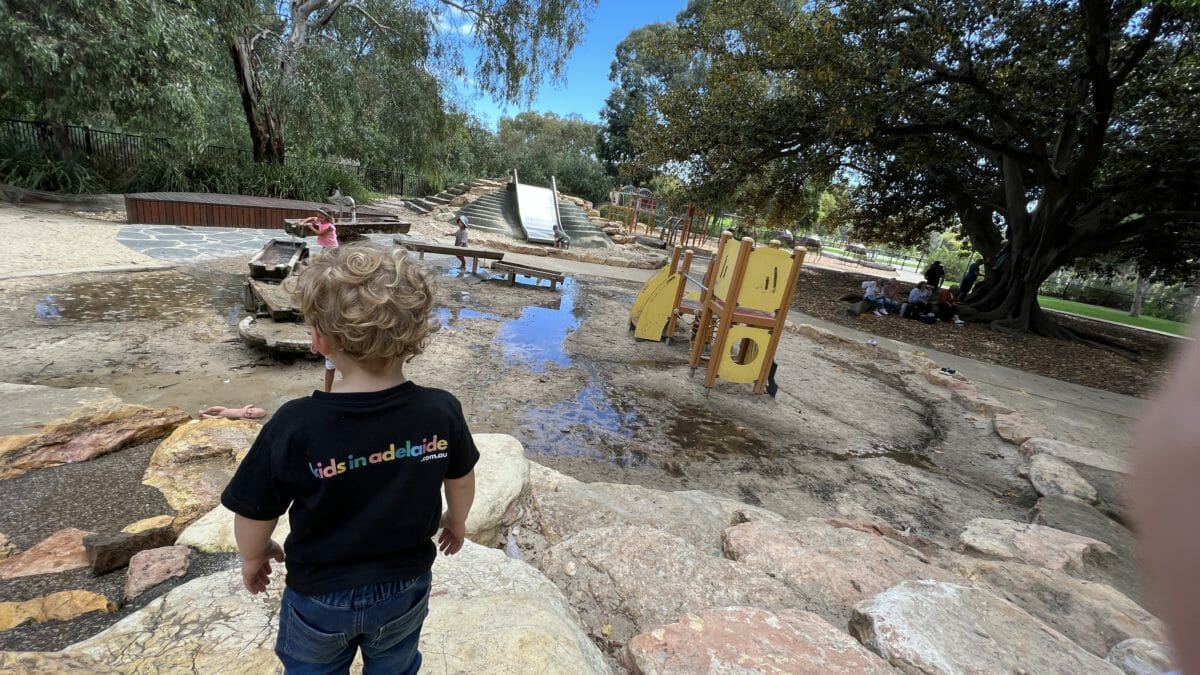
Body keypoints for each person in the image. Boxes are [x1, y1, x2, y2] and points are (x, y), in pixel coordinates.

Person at [221, 243, 478, 674]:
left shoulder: (296, 423)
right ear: (417, 335)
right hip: (405, 585)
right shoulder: (440, 409)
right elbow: (462, 477)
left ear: (318, 339)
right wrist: (456, 520)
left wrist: (254, 554)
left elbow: (254, 508)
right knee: (395, 664)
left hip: (320, 595)